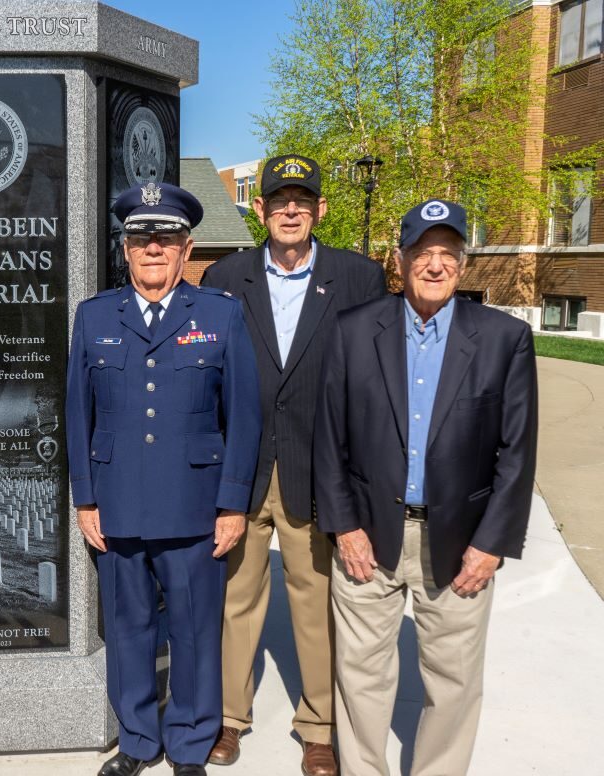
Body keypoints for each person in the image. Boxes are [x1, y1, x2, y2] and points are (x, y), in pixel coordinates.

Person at [314, 199, 538, 776]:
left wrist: (492, 543)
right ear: (399, 259)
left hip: (461, 542)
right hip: (368, 535)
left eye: (448, 253)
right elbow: (329, 440)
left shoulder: (502, 338)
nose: (435, 265)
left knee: (454, 683)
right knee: (361, 678)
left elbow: (516, 454)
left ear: (463, 264)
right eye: (422, 252)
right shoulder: (353, 330)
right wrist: (344, 526)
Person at [67, 182, 261, 776]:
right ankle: (137, 740)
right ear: (124, 249)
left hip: (195, 505)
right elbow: (78, 411)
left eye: (166, 238)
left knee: (196, 629)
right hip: (118, 502)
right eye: (141, 238)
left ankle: (190, 742)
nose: (154, 248)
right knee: (128, 629)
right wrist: (85, 498)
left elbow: (245, 416)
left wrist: (232, 506)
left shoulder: (220, 314)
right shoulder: (96, 315)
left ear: (187, 247)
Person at [200, 154, 385, 775]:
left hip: (317, 468)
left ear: (319, 210)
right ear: (260, 209)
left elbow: (372, 382)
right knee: (236, 598)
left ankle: (319, 727)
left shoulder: (358, 278)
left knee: (315, 599)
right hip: (241, 470)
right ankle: (228, 718)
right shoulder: (225, 278)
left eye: (302, 200)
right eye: (279, 199)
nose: (289, 209)